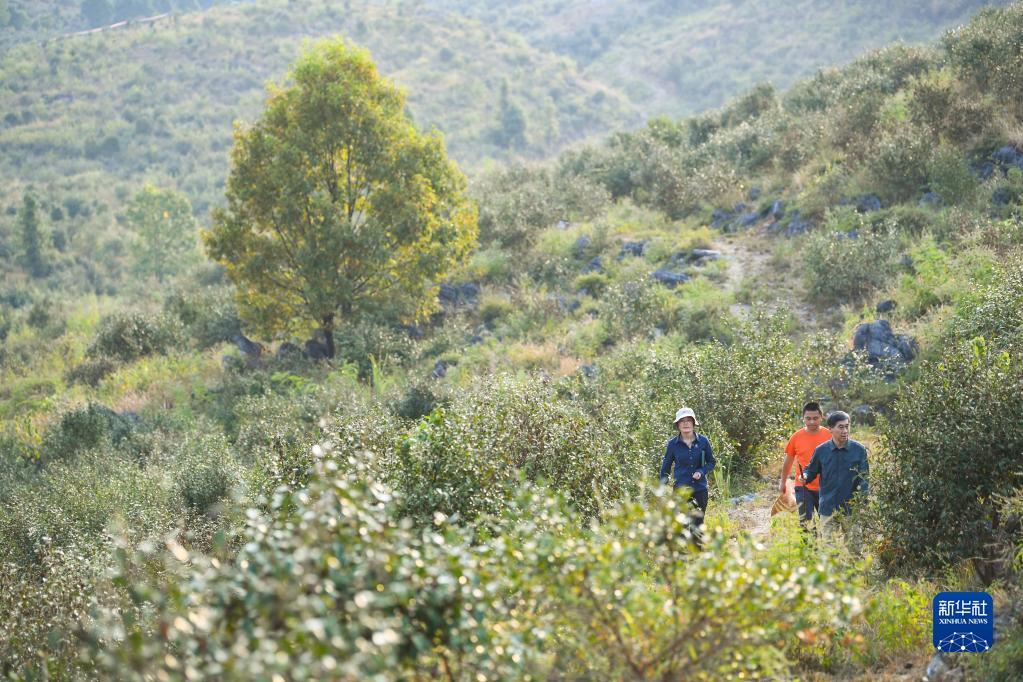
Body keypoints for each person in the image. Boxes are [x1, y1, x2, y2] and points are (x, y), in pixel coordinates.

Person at [801, 411, 869, 540]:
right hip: (828, 507)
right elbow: (811, 470)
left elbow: (864, 479)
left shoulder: (859, 450)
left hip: (851, 509)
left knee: (855, 550)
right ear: (831, 429)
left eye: (847, 426)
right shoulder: (821, 450)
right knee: (829, 551)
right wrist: (805, 476)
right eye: (840, 427)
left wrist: (863, 503)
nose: (845, 431)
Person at [660, 407, 716, 546]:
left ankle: (698, 558)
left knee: (697, 525)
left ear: (693, 423)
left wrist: (701, 471)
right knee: (682, 526)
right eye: (682, 421)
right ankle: (683, 559)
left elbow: (711, 462)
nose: (686, 424)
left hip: (700, 490)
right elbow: (666, 466)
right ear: (677, 425)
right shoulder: (673, 444)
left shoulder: (703, 441)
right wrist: (661, 488)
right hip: (681, 491)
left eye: (689, 420)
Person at [779, 401, 832, 533]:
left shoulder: (830, 435)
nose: (812, 422)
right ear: (803, 418)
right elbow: (788, 461)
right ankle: (810, 552)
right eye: (808, 418)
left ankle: (828, 551)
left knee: (828, 524)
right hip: (803, 486)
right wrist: (783, 482)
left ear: (821, 417)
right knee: (806, 524)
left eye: (815, 418)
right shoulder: (796, 437)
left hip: (825, 487)